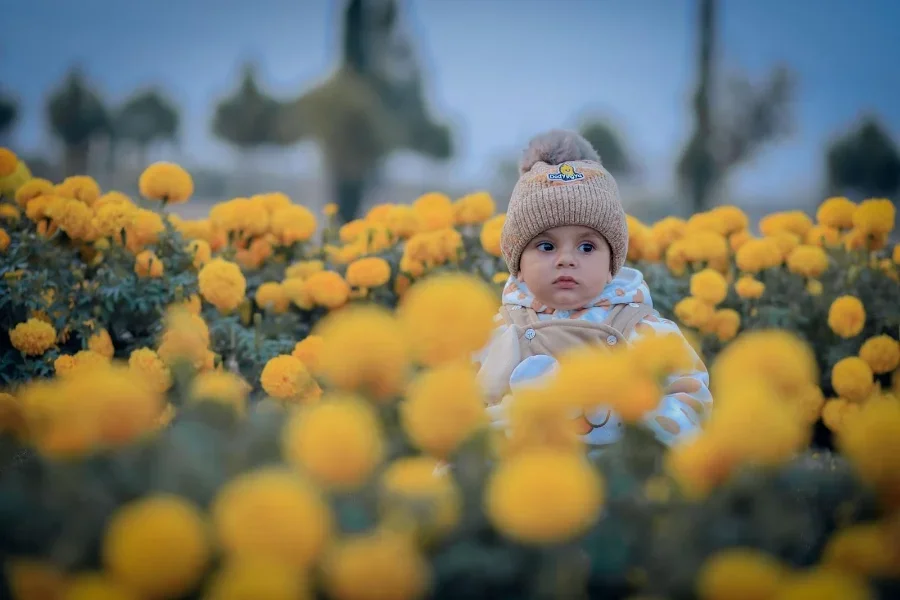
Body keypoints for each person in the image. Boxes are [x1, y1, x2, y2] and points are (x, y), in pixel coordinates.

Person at [475, 130, 712, 449]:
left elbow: (693, 404)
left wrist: (626, 417)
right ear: (517, 264)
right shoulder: (498, 333)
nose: (566, 260)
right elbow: (465, 413)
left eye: (587, 247)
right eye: (546, 246)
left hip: (622, 489)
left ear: (612, 260)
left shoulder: (644, 331)